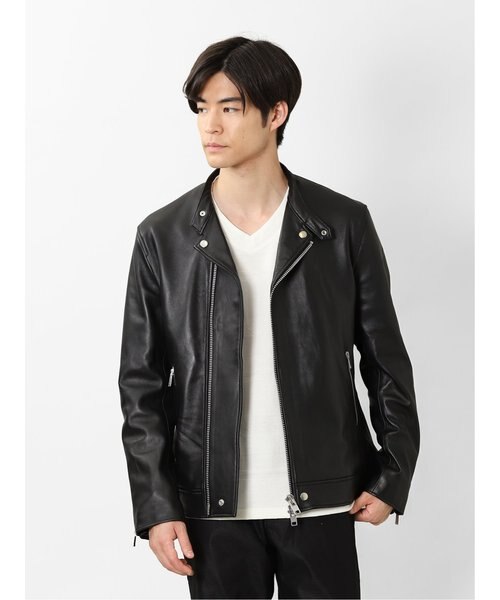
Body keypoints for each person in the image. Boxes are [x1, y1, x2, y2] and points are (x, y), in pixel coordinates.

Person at [118, 35, 420, 600]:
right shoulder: (162, 237)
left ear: (276, 113)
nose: (210, 126)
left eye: (229, 108)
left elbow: (385, 362)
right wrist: (156, 504)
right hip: (210, 510)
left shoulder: (341, 225)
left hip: (324, 501)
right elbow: (140, 385)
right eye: (201, 109)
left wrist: (394, 472)